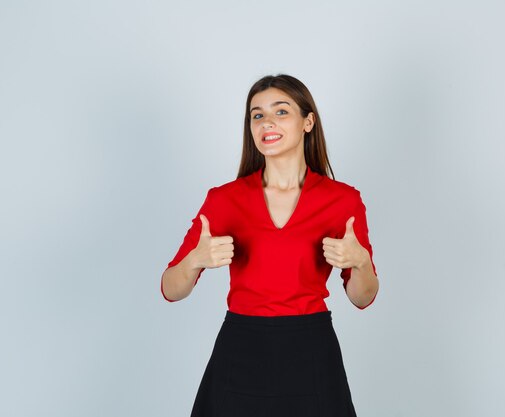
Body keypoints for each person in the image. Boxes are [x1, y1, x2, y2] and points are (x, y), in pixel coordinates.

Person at [160, 73, 379, 417]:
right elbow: (171, 289)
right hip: (242, 350)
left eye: (281, 112)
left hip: (311, 352)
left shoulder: (343, 201)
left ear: (308, 122)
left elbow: (362, 297)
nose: (267, 123)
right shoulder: (223, 200)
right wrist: (194, 262)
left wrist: (361, 262)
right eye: (257, 115)